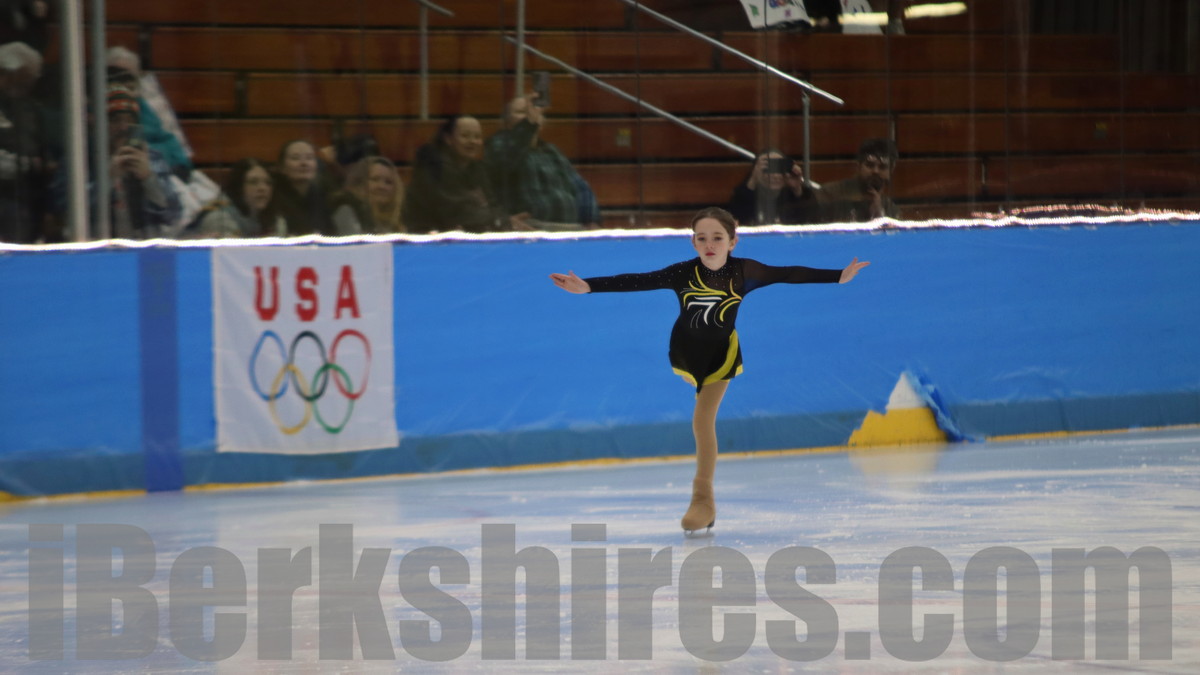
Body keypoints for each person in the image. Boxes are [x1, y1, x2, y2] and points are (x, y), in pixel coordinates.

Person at [549, 206, 869, 533]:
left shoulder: (745, 271)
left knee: (702, 419)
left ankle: (703, 500)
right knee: (701, 414)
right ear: (693, 243)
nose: (709, 244)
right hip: (685, 350)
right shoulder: (682, 273)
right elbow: (639, 280)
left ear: (732, 241)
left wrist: (838, 276)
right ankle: (704, 500)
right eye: (702, 238)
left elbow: (788, 273)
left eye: (717, 237)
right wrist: (588, 286)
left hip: (721, 354)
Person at [485, 93, 599, 230]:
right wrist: (528, 125)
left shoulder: (551, 151)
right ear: (506, 121)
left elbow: (580, 187)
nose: (529, 115)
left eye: (532, 111)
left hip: (569, 227)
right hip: (528, 227)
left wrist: (591, 220)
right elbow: (503, 163)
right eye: (521, 112)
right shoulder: (498, 143)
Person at [402, 115, 503, 234]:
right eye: (465, 136)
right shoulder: (434, 167)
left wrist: (504, 219)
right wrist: (497, 218)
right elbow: (461, 213)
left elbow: (492, 204)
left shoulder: (478, 169)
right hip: (428, 236)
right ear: (448, 139)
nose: (472, 141)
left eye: (477, 137)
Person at [105, 85, 182, 239]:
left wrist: (148, 178)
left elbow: (172, 215)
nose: (123, 127)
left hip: (146, 247)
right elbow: (69, 213)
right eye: (115, 120)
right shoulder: (82, 161)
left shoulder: (153, 159)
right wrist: (109, 180)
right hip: (100, 248)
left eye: (129, 121)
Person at [106, 47, 192, 179]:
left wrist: (150, 160)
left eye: (131, 82)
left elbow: (175, 151)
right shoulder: (96, 112)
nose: (124, 88)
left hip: (153, 173)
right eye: (118, 79)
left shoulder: (146, 108)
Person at [0, 40, 51, 243]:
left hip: (28, 198)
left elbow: (40, 148)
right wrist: (26, 164)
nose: (28, 85)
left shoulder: (30, 110)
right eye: (24, 78)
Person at [272, 138, 362, 236]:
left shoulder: (329, 198)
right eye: (295, 158)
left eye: (309, 158)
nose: (304, 163)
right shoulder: (272, 199)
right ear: (282, 167)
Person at [186, 158, 285, 238]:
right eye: (253, 182)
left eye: (268, 183)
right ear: (238, 187)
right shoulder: (220, 218)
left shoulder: (276, 220)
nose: (262, 188)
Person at [813, 137, 901, 222]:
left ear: (891, 170)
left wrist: (880, 215)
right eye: (870, 165)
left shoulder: (890, 209)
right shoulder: (830, 194)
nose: (875, 171)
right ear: (858, 166)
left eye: (882, 167)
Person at [726, 149, 819, 225]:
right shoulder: (742, 194)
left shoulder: (794, 195)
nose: (775, 175)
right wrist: (753, 180)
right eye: (768, 169)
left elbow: (811, 221)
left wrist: (797, 189)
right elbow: (737, 221)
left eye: (780, 168)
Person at [341, 155, 405, 233]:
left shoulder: (397, 226)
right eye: (375, 179)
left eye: (388, 182)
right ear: (359, 183)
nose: (382, 186)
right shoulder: (347, 212)